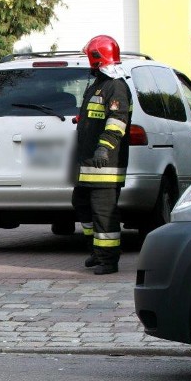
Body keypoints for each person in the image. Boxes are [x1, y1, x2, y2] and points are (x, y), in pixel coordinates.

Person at [72, 35, 131, 275]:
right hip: (87, 164)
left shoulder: (116, 85)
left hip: (105, 165)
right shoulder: (98, 83)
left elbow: (117, 121)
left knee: (104, 212)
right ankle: (96, 250)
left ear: (97, 58)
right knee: (81, 203)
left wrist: (104, 147)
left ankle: (109, 259)